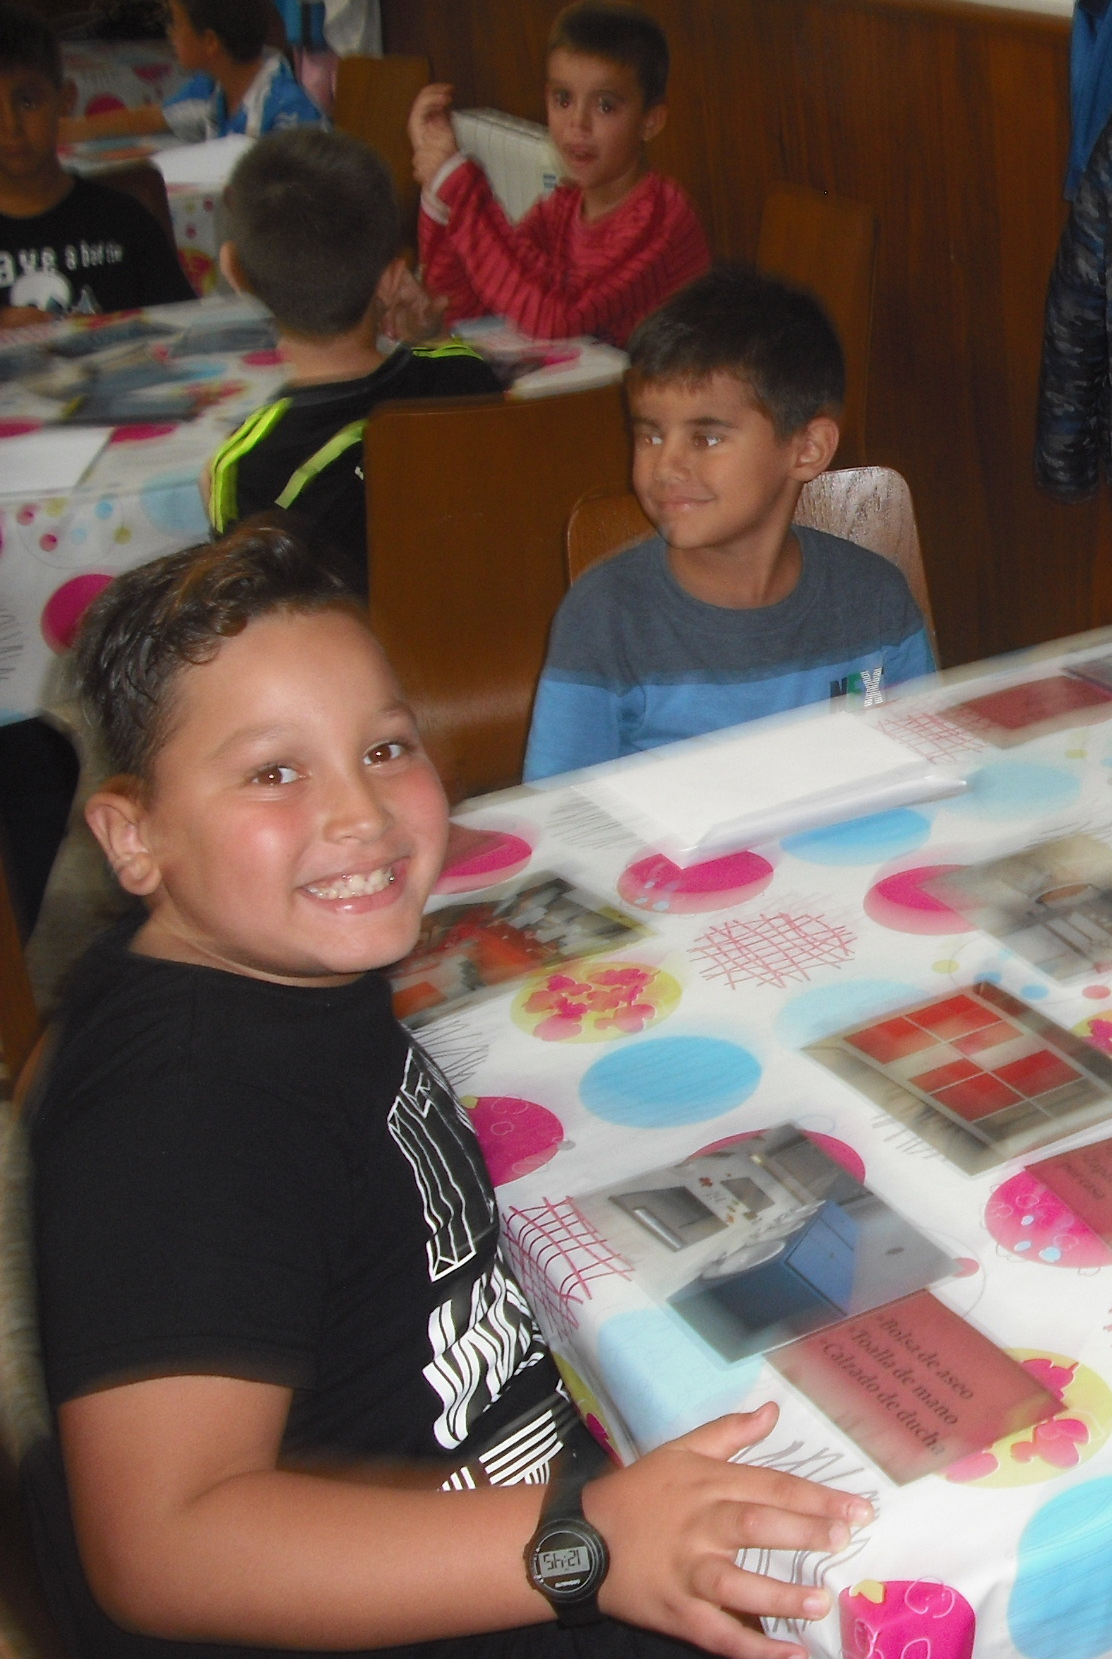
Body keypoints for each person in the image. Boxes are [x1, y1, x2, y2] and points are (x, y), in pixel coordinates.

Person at [25, 523, 872, 1659]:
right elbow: (164, 1546)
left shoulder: (275, 972)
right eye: (275, 772)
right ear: (133, 837)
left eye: (384, 748)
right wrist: (587, 1542)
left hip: (504, 1481)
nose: (361, 816)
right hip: (477, 1586)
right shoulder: (178, 1114)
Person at [523, 265, 933, 782]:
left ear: (807, 449)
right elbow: (559, 813)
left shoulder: (875, 601)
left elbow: (924, 768)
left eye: (707, 438)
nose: (666, 467)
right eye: (650, 435)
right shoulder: (603, 618)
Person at [202, 128, 502, 593]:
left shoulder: (246, 466)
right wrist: (430, 334)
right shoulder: (466, 378)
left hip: (350, 641)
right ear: (394, 277)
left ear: (234, 272)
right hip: (486, 627)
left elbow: (252, 608)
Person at [403, 0, 710, 346]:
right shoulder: (561, 211)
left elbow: (555, 316)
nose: (577, 124)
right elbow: (466, 306)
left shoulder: (660, 218)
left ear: (650, 122)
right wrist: (439, 194)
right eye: (563, 100)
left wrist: (458, 186)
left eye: (605, 106)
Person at [0, 2, 196, 324]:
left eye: (27, 102)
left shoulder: (125, 221)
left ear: (65, 101)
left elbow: (185, 328)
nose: (11, 127)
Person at [61, 0, 322, 145]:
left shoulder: (288, 109)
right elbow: (154, 118)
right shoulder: (210, 88)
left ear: (210, 42)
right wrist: (77, 129)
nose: (170, 34)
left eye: (176, 24)